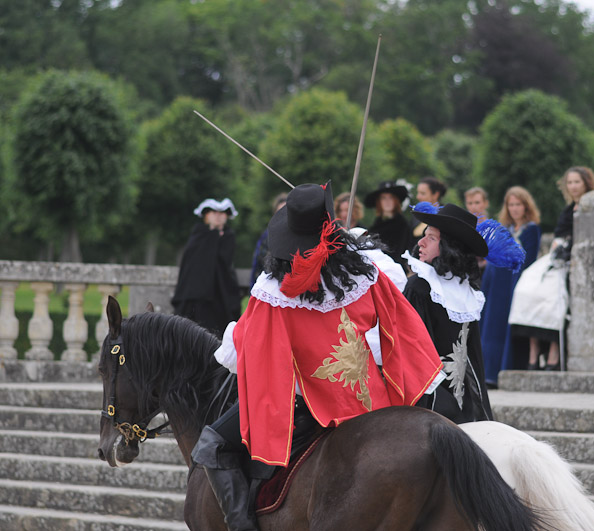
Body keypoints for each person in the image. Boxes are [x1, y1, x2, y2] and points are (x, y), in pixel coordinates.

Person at [191, 183, 445, 531]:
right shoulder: (364, 274)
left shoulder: (272, 293)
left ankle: (241, 525)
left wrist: (231, 334)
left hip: (310, 407)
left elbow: (244, 352)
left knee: (213, 443)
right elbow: (401, 326)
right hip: (373, 400)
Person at [402, 202, 525, 424]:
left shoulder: (466, 292)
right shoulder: (421, 287)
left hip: (451, 401)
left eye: (431, 237)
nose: (420, 242)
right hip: (433, 396)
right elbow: (411, 351)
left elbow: (472, 357)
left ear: (449, 246)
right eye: (424, 235)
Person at [509, 167, 594, 371]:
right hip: (557, 257)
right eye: (570, 182)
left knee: (552, 295)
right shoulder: (568, 210)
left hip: (575, 260)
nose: (573, 186)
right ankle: (533, 352)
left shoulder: (592, 208)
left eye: (577, 182)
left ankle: (553, 353)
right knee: (527, 287)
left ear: (586, 183)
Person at [479, 187, 541, 386]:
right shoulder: (504, 229)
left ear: (525, 206)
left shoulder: (531, 229)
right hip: (496, 281)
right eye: (511, 205)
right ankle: (488, 372)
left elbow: (527, 258)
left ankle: (505, 369)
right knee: (491, 324)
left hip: (514, 281)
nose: (514, 209)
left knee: (506, 324)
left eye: (518, 204)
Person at [171, 198, 241, 335]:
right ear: (206, 215)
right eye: (214, 212)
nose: (218, 216)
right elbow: (191, 268)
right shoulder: (198, 235)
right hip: (196, 299)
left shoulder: (228, 237)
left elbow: (225, 266)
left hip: (221, 299)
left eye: (222, 213)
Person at [364, 181, 412, 263]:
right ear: (379, 201)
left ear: (396, 200)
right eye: (383, 198)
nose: (387, 201)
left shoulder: (401, 225)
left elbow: (399, 253)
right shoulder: (377, 223)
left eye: (391, 197)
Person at [249, 193, 288, 285]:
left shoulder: (302, 236)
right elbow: (259, 265)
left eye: (287, 212)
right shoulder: (267, 236)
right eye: (280, 212)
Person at [410, 177, 448, 247]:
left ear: (436, 194)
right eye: (418, 193)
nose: (418, 197)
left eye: (423, 193)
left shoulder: (445, 215)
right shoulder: (416, 214)